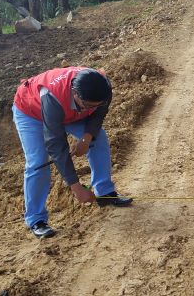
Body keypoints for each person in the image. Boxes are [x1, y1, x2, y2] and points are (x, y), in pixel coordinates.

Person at [12, 66, 132, 238]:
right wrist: (76, 188)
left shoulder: (102, 86)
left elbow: (98, 114)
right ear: (75, 93)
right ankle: (36, 220)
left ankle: (104, 193)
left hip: (70, 112)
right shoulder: (52, 96)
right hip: (32, 113)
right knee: (38, 163)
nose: (92, 108)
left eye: (96, 104)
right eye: (88, 105)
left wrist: (87, 138)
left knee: (99, 139)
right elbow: (56, 144)